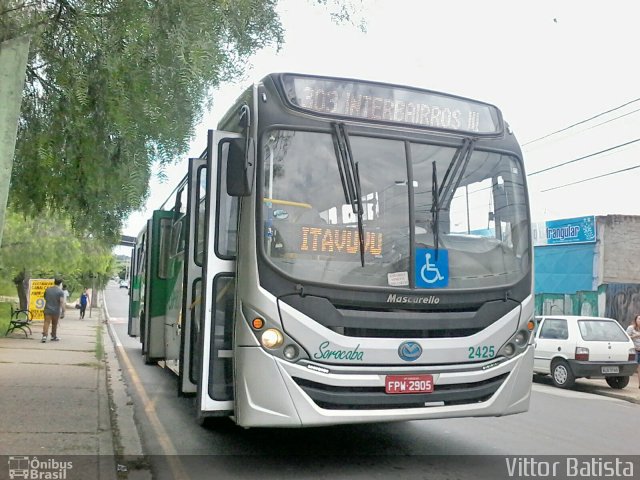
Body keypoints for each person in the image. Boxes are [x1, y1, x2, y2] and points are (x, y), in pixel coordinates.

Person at [42, 278, 64, 343]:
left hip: (47, 309)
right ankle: (53, 336)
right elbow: (61, 301)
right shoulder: (60, 292)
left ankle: (44, 336)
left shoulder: (48, 290)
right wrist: (63, 311)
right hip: (56, 311)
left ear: (54, 282)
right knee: (54, 324)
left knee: (46, 322)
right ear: (60, 284)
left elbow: (45, 297)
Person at [626, 315, 640, 388]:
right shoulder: (631, 328)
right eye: (639, 319)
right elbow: (626, 337)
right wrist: (635, 336)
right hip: (634, 351)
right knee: (636, 367)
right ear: (636, 320)